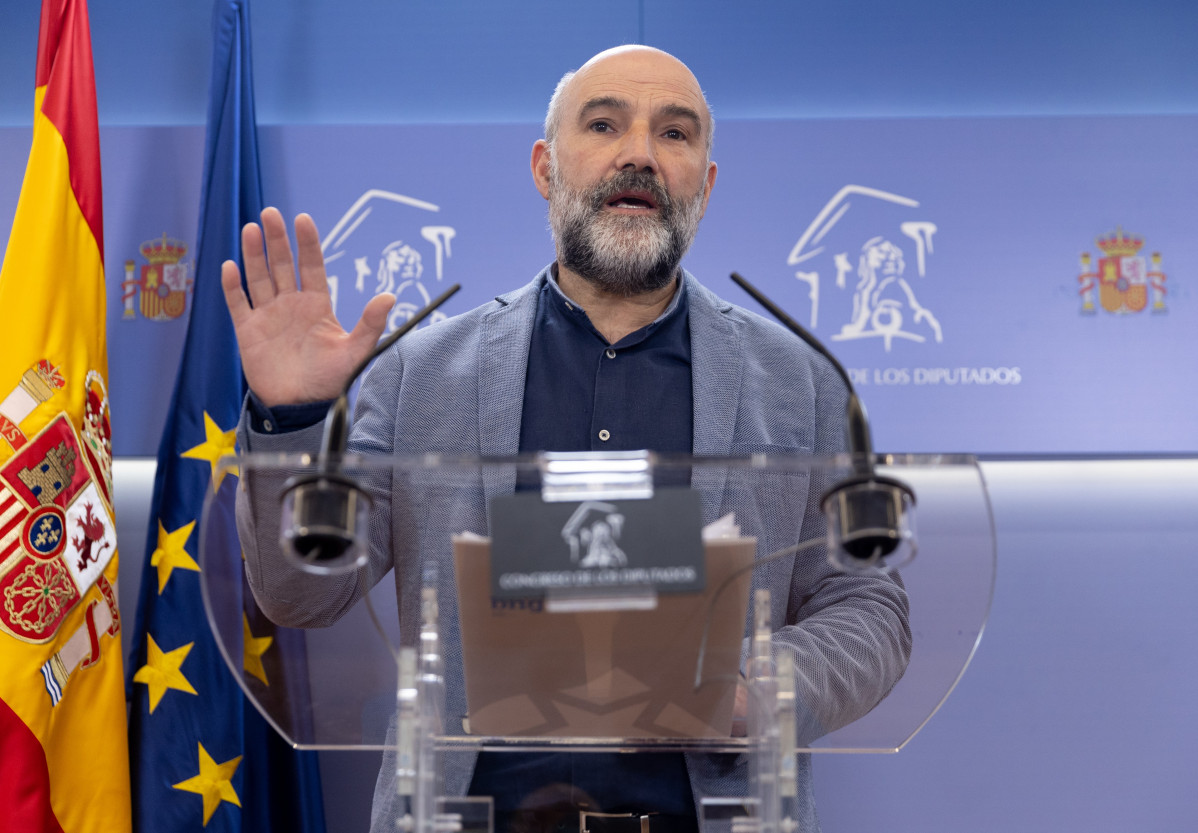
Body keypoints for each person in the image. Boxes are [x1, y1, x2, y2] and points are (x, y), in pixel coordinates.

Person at [223, 45, 910, 833]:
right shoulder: (419, 370)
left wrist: (758, 694)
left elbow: (869, 606)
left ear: (706, 186)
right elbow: (297, 593)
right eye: (605, 123)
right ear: (546, 168)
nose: (640, 154)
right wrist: (293, 420)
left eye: (676, 134)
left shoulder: (800, 380)